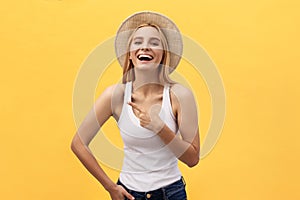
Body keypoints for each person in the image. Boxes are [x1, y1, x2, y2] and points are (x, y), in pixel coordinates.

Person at [71, 11, 200, 200]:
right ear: (130, 54)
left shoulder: (180, 96)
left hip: (170, 194)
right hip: (128, 194)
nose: (145, 47)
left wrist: (159, 127)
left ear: (163, 55)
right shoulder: (115, 96)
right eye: (138, 42)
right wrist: (111, 188)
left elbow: (192, 159)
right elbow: (78, 144)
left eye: (154, 43)